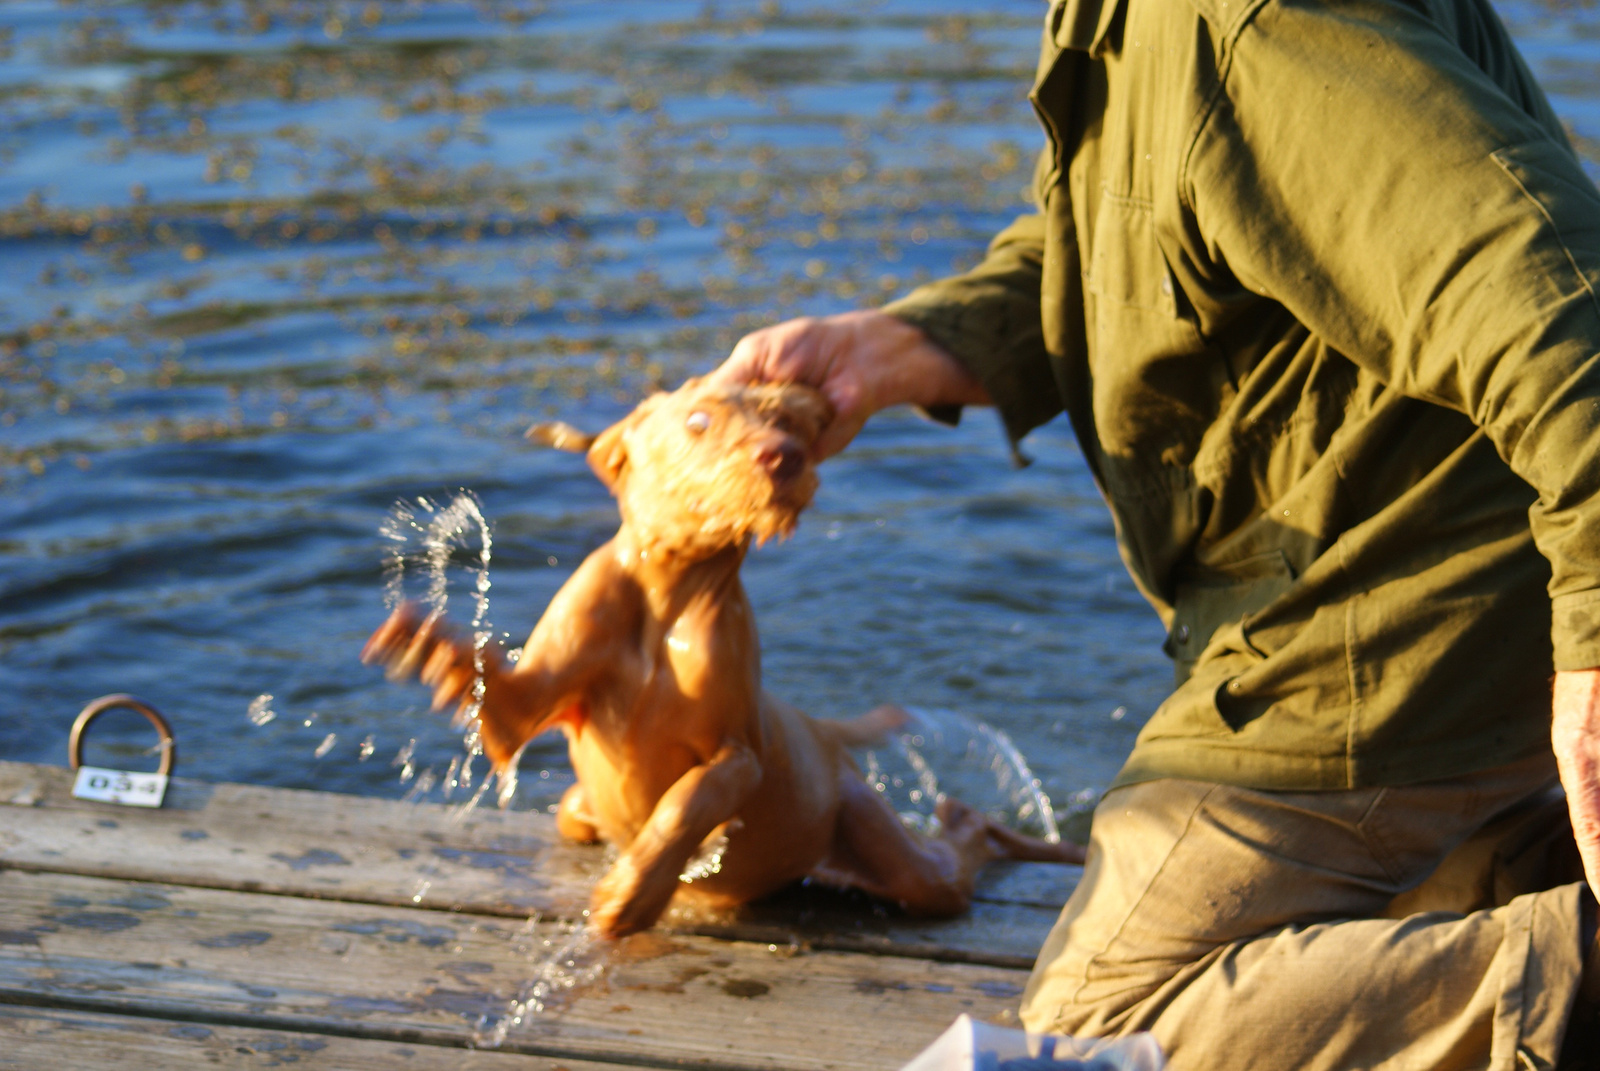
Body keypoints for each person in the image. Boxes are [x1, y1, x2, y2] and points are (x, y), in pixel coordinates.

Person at [708, 0, 1600, 1067]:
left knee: (1093, 1045)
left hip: (1386, 640)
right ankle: (1509, 869)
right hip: (1418, 622)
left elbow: (1563, 312)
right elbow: (1154, 219)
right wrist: (913, 342)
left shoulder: (1252, 25)